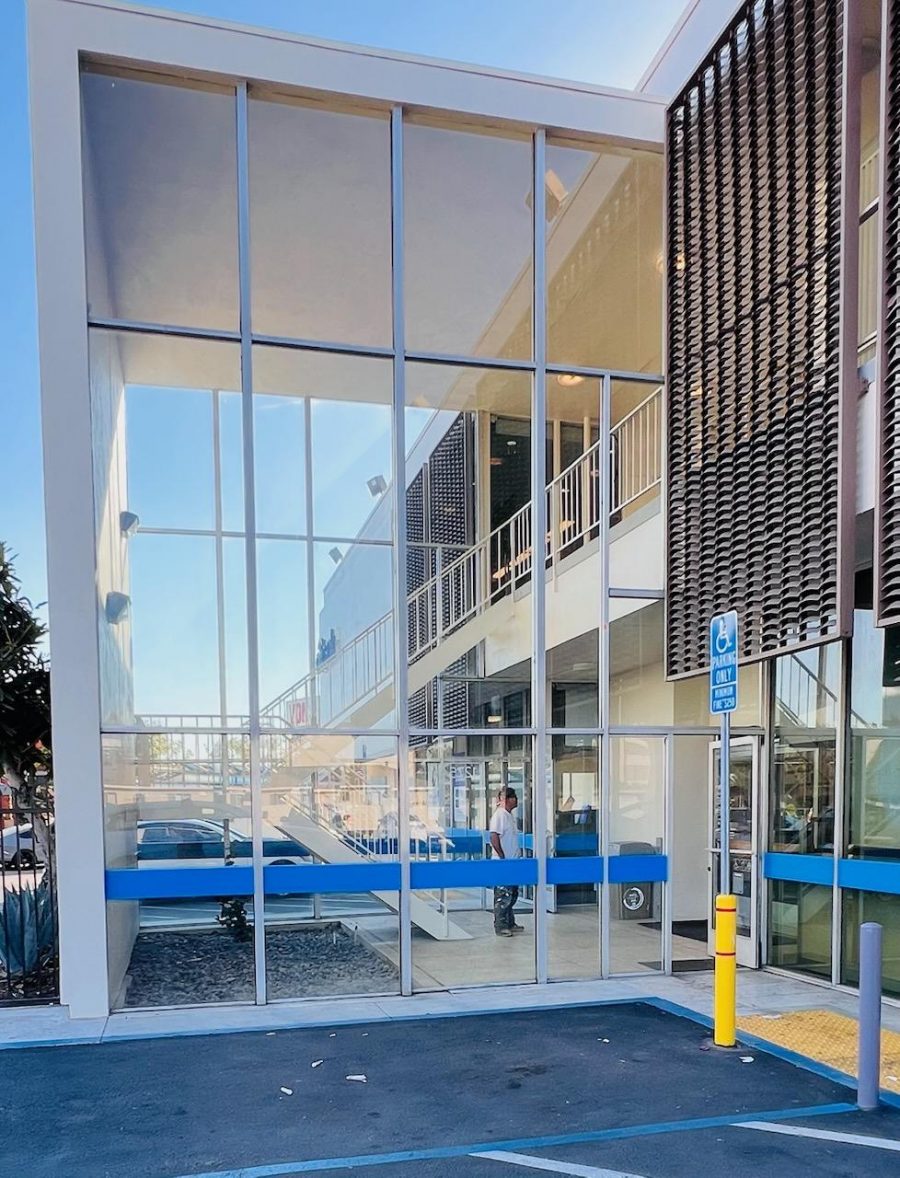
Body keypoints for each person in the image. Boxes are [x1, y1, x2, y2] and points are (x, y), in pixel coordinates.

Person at [489, 787, 524, 937]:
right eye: (513, 797)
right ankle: (501, 925)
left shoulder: (509, 816)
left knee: (513, 893)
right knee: (503, 895)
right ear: (507, 799)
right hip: (503, 862)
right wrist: (501, 855)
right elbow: (494, 836)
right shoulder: (500, 815)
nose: (516, 800)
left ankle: (510, 922)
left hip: (513, 862)